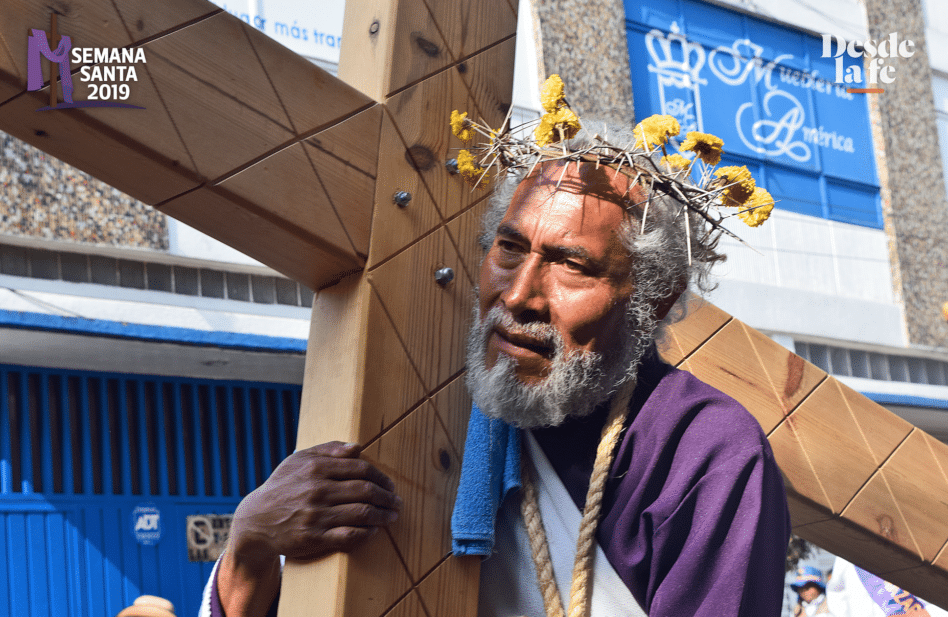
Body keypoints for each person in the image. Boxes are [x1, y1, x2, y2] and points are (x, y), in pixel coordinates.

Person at [205, 123, 791, 617]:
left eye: (571, 264)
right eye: (509, 249)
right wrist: (251, 542)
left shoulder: (703, 451)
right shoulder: (424, 405)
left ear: (654, 298)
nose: (518, 296)